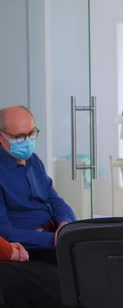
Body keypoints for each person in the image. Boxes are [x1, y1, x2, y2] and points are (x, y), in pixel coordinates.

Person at [0, 106, 75, 251]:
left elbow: (54, 200)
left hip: (54, 237)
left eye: (32, 133)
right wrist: (57, 240)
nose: (28, 141)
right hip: (31, 249)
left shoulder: (33, 160)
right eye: (20, 137)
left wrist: (66, 222)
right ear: (1, 138)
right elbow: (5, 233)